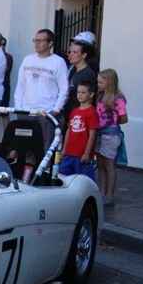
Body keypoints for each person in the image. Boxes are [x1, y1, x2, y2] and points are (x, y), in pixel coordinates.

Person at [13, 28, 69, 150]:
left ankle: (45, 169)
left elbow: (64, 88)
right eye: (35, 40)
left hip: (47, 112)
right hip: (26, 110)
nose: (37, 44)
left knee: (45, 146)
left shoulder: (58, 62)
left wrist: (56, 110)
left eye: (41, 41)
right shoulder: (28, 59)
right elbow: (20, 85)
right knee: (25, 146)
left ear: (50, 43)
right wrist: (18, 107)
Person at [96, 69, 128, 206]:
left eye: (101, 82)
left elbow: (124, 118)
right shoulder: (99, 97)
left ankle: (109, 194)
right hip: (100, 133)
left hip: (111, 134)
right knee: (100, 164)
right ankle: (101, 192)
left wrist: (112, 123)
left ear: (109, 82)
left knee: (109, 164)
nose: (98, 85)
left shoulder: (117, 99)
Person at [58, 81, 98, 181]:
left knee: (85, 181)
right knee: (62, 178)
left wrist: (87, 153)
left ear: (91, 94)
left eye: (83, 92)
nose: (80, 95)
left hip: (82, 155)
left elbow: (92, 134)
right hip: (69, 153)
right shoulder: (74, 111)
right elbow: (69, 130)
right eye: (78, 92)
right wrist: (64, 148)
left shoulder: (91, 112)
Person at [61, 38, 98, 132]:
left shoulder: (87, 74)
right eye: (70, 52)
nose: (71, 55)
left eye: (75, 52)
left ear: (84, 55)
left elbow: (88, 99)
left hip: (79, 120)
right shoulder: (73, 71)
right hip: (69, 115)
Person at [0, 37, 14, 132]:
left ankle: (7, 139)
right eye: (1, 44)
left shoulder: (8, 57)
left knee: (4, 113)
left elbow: (3, 71)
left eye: (4, 44)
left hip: (4, 86)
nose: (2, 46)